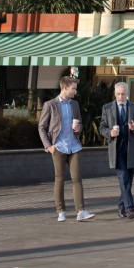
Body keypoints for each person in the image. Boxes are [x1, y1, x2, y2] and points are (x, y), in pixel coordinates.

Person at [38, 74, 93, 222]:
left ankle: (81, 211)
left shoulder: (75, 105)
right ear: (65, 87)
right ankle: (61, 211)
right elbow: (41, 127)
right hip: (59, 147)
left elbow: (80, 123)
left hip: (74, 146)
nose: (76, 91)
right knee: (60, 179)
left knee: (77, 178)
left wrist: (78, 128)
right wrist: (48, 146)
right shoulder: (50, 105)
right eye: (73, 88)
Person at [100, 82, 134, 219]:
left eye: (123, 94)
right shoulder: (107, 108)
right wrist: (109, 133)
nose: (120, 97)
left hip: (131, 149)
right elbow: (102, 127)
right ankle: (130, 208)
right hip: (116, 149)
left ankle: (121, 206)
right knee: (123, 178)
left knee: (128, 180)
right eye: (118, 94)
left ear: (127, 94)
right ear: (115, 94)